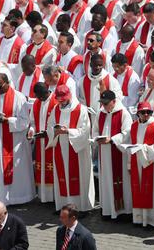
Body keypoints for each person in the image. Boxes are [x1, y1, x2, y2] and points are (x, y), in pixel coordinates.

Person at [0, 72, 34, 204]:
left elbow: (24, 121)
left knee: (16, 169)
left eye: (0, 86)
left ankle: (18, 197)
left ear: (7, 83)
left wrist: (7, 120)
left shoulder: (18, 97)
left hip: (15, 141)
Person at [48, 83, 94, 211]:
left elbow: (85, 131)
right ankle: (64, 207)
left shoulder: (80, 110)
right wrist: (54, 131)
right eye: (59, 100)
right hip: (60, 148)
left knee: (79, 178)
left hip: (76, 150)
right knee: (62, 177)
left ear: (69, 96)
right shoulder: (56, 109)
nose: (61, 103)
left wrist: (68, 131)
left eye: (64, 100)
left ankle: (81, 208)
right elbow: (49, 126)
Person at [126, 101, 154, 229]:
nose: (146, 115)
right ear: (138, 113)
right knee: (139, 188)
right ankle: (141, 219)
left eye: (148, 112)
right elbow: (130, 145)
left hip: (153, 165)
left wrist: (143, 150)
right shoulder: (134, 127)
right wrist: (130, 164)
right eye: (143, 112)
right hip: (138, 164)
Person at [95, 89, 132, 219]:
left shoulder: (123, 113)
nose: (104, 106)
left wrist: (111, 140)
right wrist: (96, 138)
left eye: (106, 103)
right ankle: (107, 209)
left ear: (114, 101)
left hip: (118, 154)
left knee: (118, 182)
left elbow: (127, 133)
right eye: (103, 103)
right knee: (105, 181)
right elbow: (95, 130)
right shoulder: (101, 113)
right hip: (104, 154)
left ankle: (122, 212)